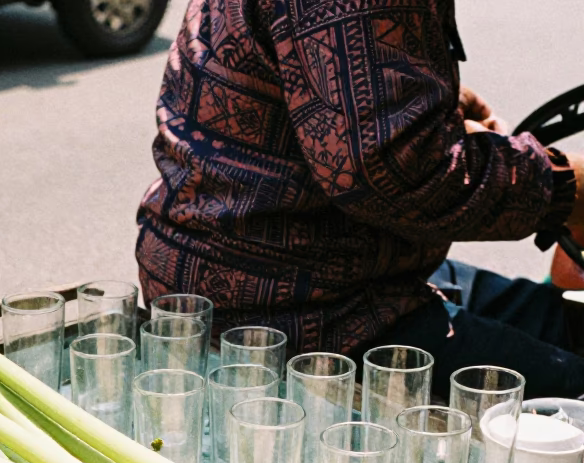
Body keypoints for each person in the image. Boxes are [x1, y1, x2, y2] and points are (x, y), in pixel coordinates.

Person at [135, 0, 584, 400]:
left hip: (327, 265)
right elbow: (400, 171)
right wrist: (567, 186)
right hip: (296, 314)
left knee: (562, 323)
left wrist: (429, 99)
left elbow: (338, 78)